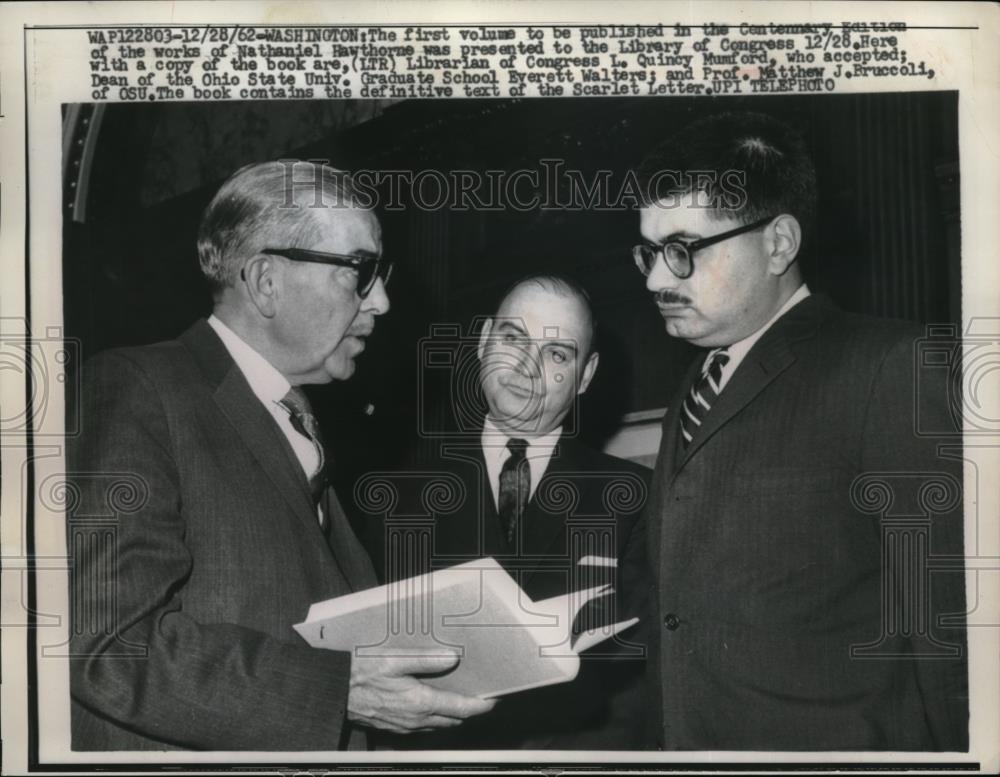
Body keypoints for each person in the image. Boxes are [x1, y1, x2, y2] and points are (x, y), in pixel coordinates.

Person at [67, 160, 494, 751]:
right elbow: (109, 645)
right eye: (361, 272)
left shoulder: (302, 424)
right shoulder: (136, 389)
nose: (385, 302)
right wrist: (339, 690)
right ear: (266, 280)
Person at [625, 111, 968, 750]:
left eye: (681, 250)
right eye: (648, 251)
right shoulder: (697, 385)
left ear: (779, 243)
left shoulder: (891, 367)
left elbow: (952, 637)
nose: (653, 279)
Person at [370, 275, 650, 749]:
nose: (526, 365)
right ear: (483, 342)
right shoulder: (395, 491)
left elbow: (640, 683)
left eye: (557, 354)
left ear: (586, 376)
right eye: (513, 338)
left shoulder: (633, 497)